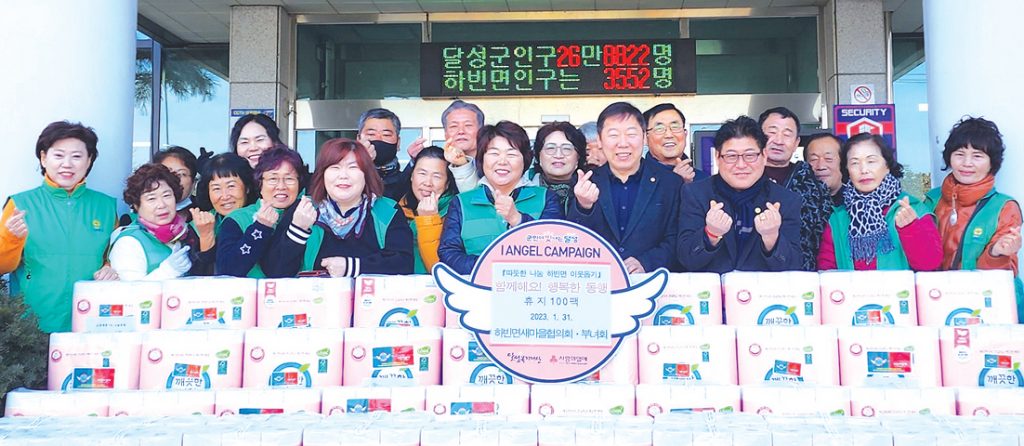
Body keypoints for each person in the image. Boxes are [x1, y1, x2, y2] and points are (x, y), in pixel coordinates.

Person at [0, 121, 118, 333]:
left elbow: (115, 257)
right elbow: (2, 266)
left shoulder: (106, 207)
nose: (67, 164)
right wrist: (12, 239)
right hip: (31, 327)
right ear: (44, 158)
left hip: (91, 325)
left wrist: (110, 267)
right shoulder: (20, 204)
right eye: (59, 155)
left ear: (89, 160)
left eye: (76, 156)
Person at [263, 138, 413, 277]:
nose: (343, 175)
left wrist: (351, 267)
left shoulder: (387, 210)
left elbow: (404, 263)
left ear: (366, 174)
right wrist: (298, 230)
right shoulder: (303, 209)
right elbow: (276, 272)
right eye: (335, 167)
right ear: (322, 174)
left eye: (353, 167)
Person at [677, 116, 802, 273]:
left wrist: (772, 238)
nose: (741, 165)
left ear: (764, 156)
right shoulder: (696, 194)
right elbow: (685, 260)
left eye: (750, 155)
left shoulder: (786, 200)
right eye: (731, 156)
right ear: (717, 157)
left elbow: (794, 267)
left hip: (763, 288)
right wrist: (710, 234)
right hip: (712, 288)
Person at [924, 117, 1022, 314]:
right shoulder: (931, 201)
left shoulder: (1004, 207)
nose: (967, 163)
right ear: (949, 158)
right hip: (938, 301)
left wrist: (997, 253)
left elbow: (1006, 273)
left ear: (992, 162)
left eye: (977, 156)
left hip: (990, 305)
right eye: (959, 154)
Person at [568, 102, 681, 274]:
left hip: (651, 281)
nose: (623, 143)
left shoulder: (670, 183)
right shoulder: (585, 183)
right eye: (613, 135)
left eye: (631, 134)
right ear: (600, 140)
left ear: (644, 138)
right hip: (599, 281)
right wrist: (583, 207)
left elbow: (676, 238)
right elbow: (572, 240)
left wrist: (646, 262)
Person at [439, 121, 564, 274]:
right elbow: (448, 253)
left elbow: (556, 250)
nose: (502, 161)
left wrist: (518, 220)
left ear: (525, 159)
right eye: (494, 153)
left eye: (511, 154)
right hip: (475, 287)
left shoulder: (546, 198)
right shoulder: (461, 202)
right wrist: (493, 269)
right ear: (482, 158)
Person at [818, 133, 942, 271]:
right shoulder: (838, 219)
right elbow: (826, 270)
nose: (864, 170)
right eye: (854, 163)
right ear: (847, 169)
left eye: (871, 161)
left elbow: (930, 264)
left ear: (887, 166)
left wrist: (911, 229)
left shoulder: (912, 209)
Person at [758, 107, 832, 270]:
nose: (779, 140)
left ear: (796, 143)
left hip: (802, 276)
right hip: (749, 276)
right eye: (772, 132)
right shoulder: (743, 179)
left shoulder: (814, 187)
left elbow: (824, 242)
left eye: (787, 134)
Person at [216, 147, 307, 277]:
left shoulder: (311, 216)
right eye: (273, 179)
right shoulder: (237, 219)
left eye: (289, 179)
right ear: (260, 183)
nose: (281, 186)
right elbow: (227, 271)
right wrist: (260, 227)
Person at [109, 164, 210, 279]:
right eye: (151, 198)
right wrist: (168, 271)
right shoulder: (128, 242)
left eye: (167, 195)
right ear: (136, 205)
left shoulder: (186, 233)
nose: (161, 205)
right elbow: (130, 288)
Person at [192, 152, 257, 271]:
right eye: (216, 188)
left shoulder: (263, 217)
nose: (225, 196)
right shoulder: (198, 225)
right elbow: (200, 276)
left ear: (247, 187)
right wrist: (206, 236)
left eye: (231, 186)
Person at [399, 146, 457, 273]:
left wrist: (428, 220)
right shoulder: (398, 210)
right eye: (422, 174)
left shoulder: (455, 213)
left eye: (437, 176)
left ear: (447, 184)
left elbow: (440, 270)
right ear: (412, 176)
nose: (428, 183)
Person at [642, 103, 709, 184]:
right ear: (645, 138)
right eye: (659, 128)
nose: (669, 135)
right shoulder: (636, 177)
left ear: (685, 134)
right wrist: (675, 181)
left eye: (675, 127)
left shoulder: (705, 180)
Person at [530, 121, 587, 210]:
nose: (558, 155)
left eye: (566, 149)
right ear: (538, 155)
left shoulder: (593, 188)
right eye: (550, 148)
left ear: (578, 158)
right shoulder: (521, 189)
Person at [356, 108, 408, 201]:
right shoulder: (343, 176)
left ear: (398, 142)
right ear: (358, 139)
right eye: (371, 134)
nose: (378, 139)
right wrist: (362, 164)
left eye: (386, 135)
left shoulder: (408, 181)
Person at [439, 100, 486, 192]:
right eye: (454, 126)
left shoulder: (493, 162)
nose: (461, 131)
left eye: (468, 125)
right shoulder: (439, 164)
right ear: (445, 134)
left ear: (481, 130)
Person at [154, 146, 200, 220]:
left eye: (181, 174)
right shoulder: (138, 217)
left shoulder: (205, 217)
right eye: (167, 172)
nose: (174, 178)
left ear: (193, 183)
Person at [802, 133, 844, 206]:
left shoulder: (856, 202)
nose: (821, 167)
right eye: (814, 159)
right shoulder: (797, 202)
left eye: (828, 158)